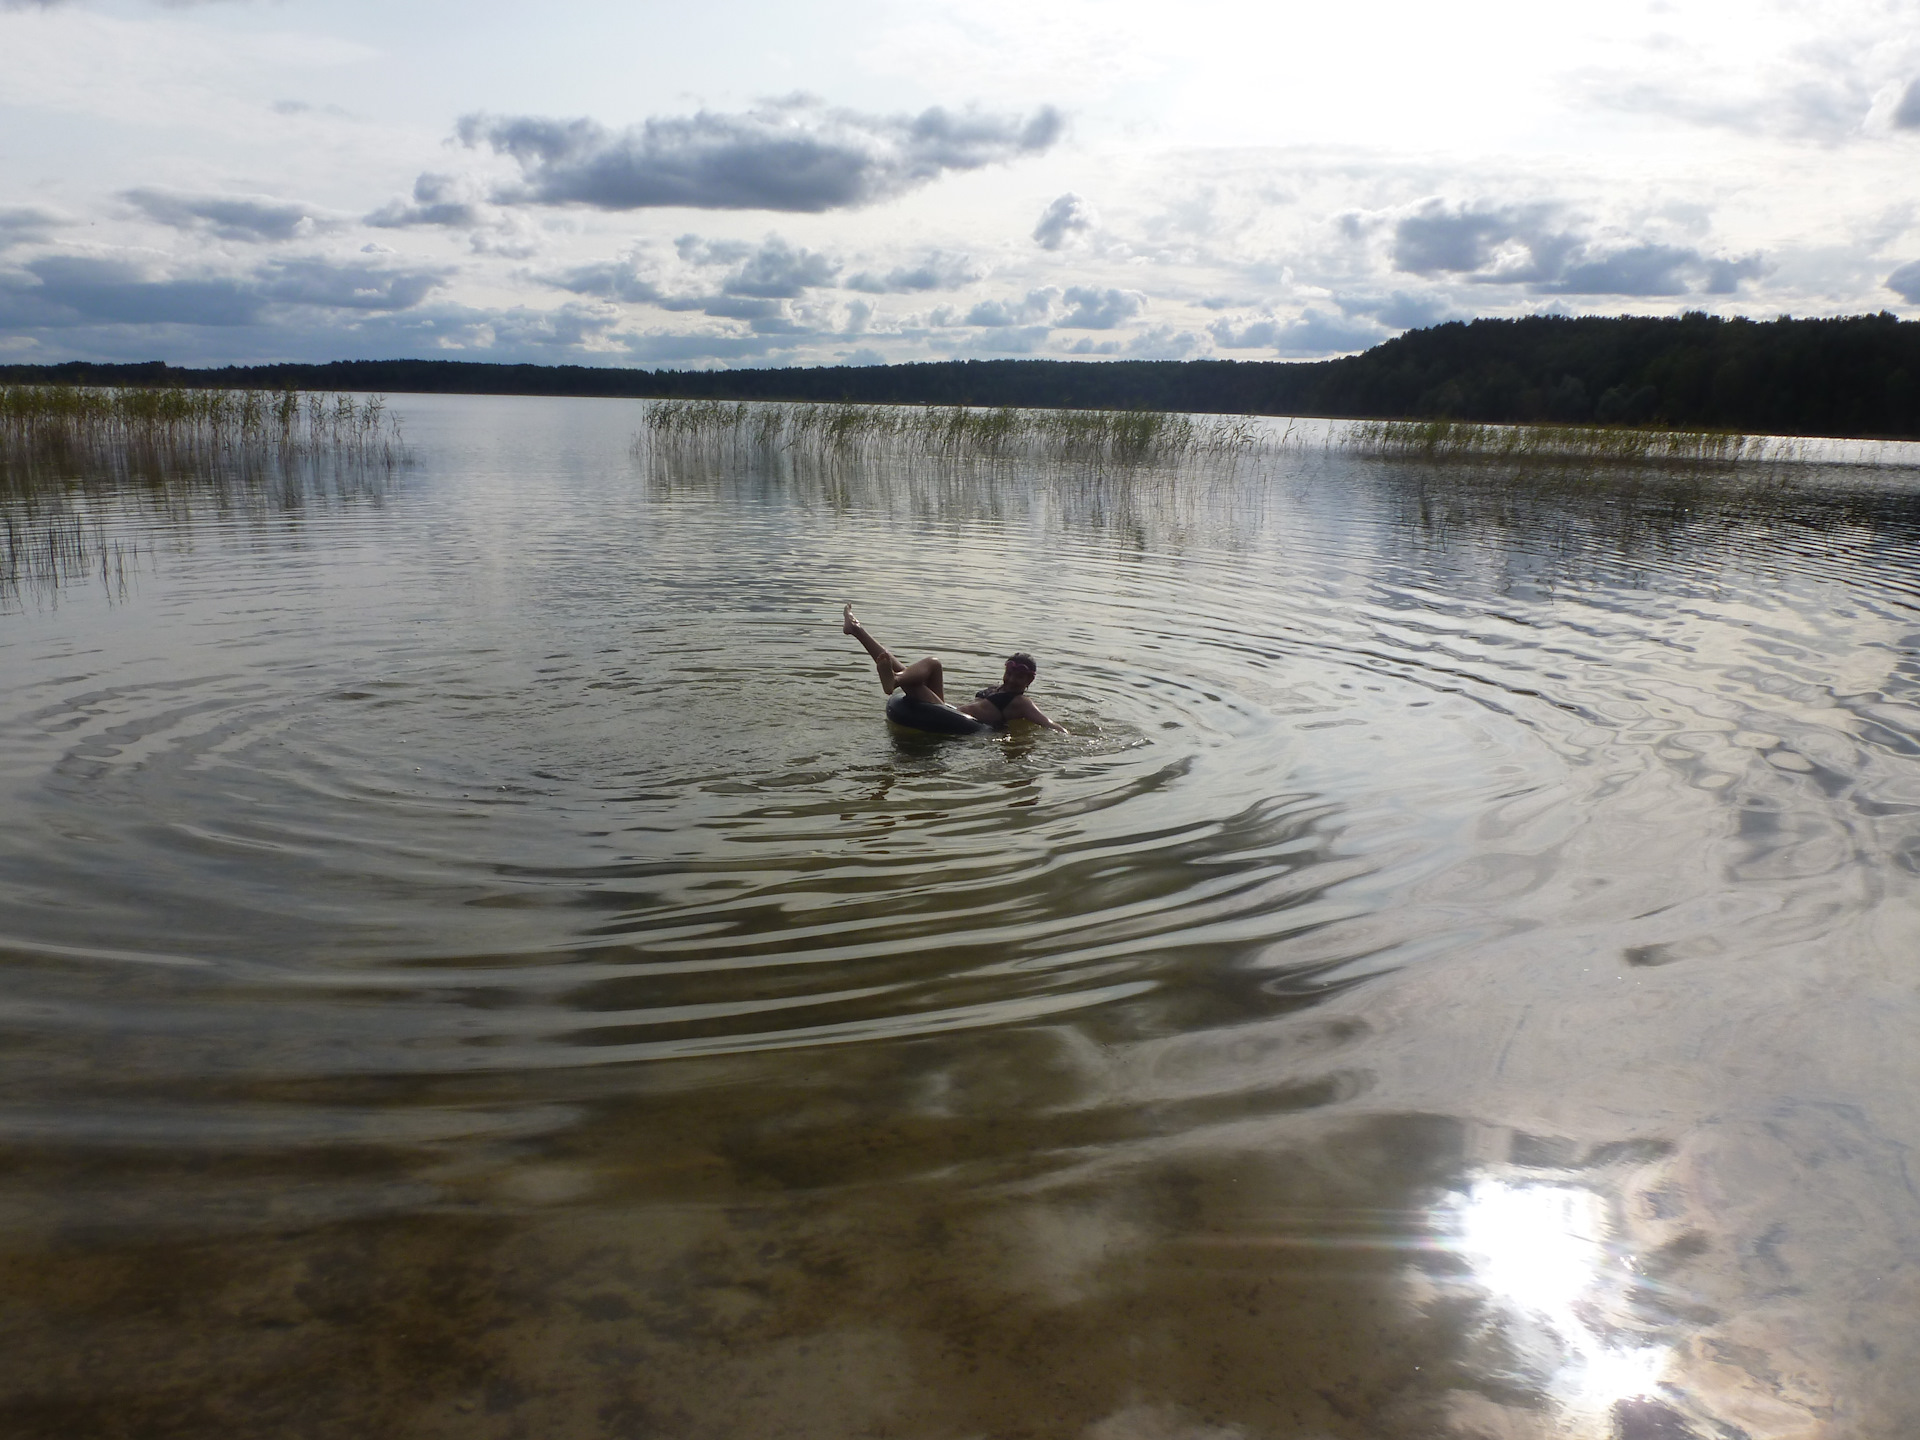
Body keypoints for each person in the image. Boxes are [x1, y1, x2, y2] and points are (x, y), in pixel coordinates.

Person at [843, 605, 1067, 733]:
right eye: (1009, 673)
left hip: (957, 723)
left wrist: (1071, 736)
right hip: (946, 710)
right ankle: (856, 630)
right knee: (933, 665)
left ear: (1029, 681)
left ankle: (893, 677)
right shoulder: (998, 690)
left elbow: (1048, 723)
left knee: (927, 669)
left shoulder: (1023, 703)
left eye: (1018, 677)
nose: (1011, 679)